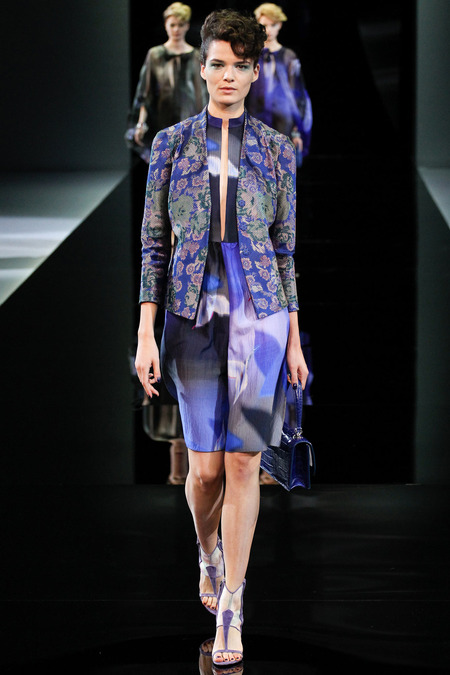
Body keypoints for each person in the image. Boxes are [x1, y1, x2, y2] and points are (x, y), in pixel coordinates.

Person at [135, 9, 309, 667]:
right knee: (205, 468)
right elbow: (154, 244)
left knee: (244, 464)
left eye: (240, 65)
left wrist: (294, 340)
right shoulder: (170, 145)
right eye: (217, 63)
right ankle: (206, 550)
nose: (228, 75)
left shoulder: (277, 149)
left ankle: (233, 601)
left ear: (254, 72)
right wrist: (145, 331)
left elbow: (285, 250)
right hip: (189, 315)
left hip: (262, 317)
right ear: (202, 69)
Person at [125, 2, 207, 162]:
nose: (176, 29)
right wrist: (141, 124)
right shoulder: (155, 55)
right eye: (172, 25)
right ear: (165, 26)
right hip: (162, 119)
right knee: (164, 165)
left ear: (187, 26)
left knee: (188, 165)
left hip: (190, 119)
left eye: (180, 25)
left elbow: (202, 94)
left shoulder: (196, 56)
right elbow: (145, 93)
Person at [246, 3, 312, 165]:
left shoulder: (289, 56)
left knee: (282, 167)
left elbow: (298, 94)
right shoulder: (250, 55)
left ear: (280, 25)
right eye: (264, 25)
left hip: (283, 120)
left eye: (273, 25)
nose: (268, 30)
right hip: (255, 118)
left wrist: (297, 132)